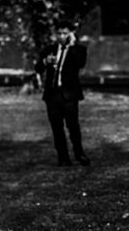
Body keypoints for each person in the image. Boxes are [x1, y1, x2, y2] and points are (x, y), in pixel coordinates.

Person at [36, 19, 90, 166]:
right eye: (59, 33)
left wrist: (72, 45)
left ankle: (79, 154)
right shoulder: (50, 49)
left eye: (64, 33)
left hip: (69, 95)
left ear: (70, 34)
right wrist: (45, 62)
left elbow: (80, 63)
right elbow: (37, 68)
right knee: (56, 128)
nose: (61, 36)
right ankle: (63, 157)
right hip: (52, 95)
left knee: (73, 126)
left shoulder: (78, 50)